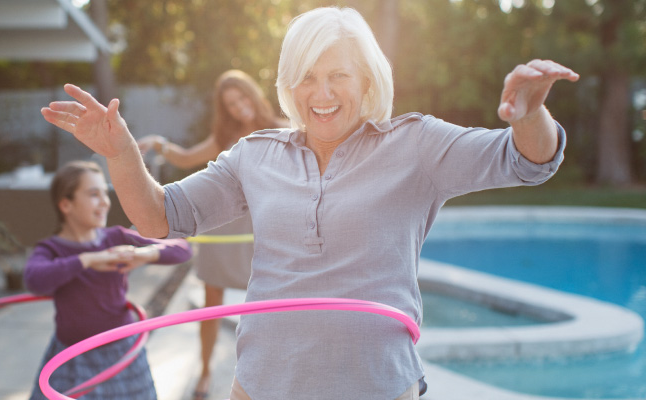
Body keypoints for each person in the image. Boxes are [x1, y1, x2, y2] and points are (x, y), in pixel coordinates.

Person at [40, 6, 579, 399]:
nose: (321, 94)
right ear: (287, 85)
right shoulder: (253, 156)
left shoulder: (417, 144)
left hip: (378, 387)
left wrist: (530, 116)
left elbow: (525, 161)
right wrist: (122, 154)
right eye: (307, 78)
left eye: (338, 75)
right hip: (263, 386)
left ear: (367, 79)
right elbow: (158, 217)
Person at [137, 69, 287, 400]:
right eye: (231, 104)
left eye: (242, 98)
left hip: (262, 230)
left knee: (271, 304)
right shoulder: (225, 138)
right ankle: (205, 372)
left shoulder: (283, 128)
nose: (238, 107)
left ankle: (272, 373)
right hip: (224, 228)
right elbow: (187, 157)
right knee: (212, 302)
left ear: (253, 93)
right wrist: (159, 145)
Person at [24, 160, 192, 400]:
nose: (105, 202)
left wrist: (143, 254)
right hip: (72, 355)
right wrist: (89, 259)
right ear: (65, 204)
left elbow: (182, 249)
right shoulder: (52, 249)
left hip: (121, 349)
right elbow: (34, 280)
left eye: (105, 193)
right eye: (94, 194)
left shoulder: (116, 238)